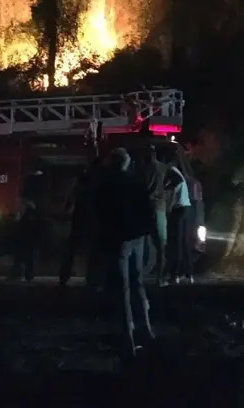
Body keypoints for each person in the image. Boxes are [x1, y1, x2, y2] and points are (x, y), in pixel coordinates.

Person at [95, 147, 155, 360]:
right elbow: (148, 211)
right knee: (137, 281)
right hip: (136, 237)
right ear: (127, 163)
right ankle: (147, 329)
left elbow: (99, 215)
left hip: (118, 239)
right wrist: (150, 237)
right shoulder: (136, 183)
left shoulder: (106, 185)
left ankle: (128, 335)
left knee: (122, 287)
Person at [59, 158, 103, 289]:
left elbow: (69, 202)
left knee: (71, 250)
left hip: (79, 219)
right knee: (93, 251)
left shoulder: (80, 183)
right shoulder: (97, 183)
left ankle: (64, 277)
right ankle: (92, 279)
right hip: (92, 220)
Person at [139, 144, 168, 286]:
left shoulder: (141, 169)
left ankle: (137, 277)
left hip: (144, 208)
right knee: (161, 245)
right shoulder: (162, 168)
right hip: (158, 208)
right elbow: (177, 180)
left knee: (137, 244)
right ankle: (160, 279)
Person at [165, 159, 193, 284]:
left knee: (177, 242)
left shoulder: (172, 172)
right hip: (186, 208)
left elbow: (173, 188)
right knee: (184, 242)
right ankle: (188, 274)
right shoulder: (177, 172)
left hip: (179, 209)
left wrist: (169, 207)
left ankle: (175, 274)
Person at [8, 178, 41, 282]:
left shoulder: (25, 205)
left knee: (22, 254)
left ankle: (22, 273)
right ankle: (25, 274)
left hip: (24, 232)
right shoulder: (28, 206)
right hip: (26, 232)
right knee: (26, 255)